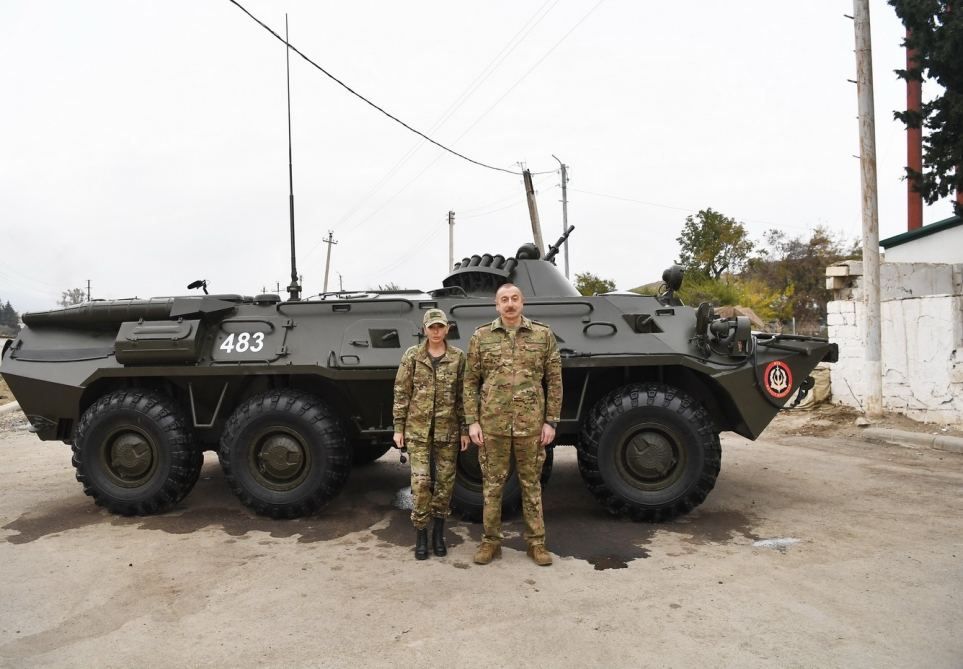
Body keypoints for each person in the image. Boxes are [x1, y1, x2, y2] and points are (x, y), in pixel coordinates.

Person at [463, 283, 562, 566]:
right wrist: (472, 422)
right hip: (492, 425)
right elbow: (470, 381)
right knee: (492, 486)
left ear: (523, 303)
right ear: (496, 305)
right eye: (504, 299)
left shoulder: (542, 335)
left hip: (531, 425)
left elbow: (554, 381)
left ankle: (536, 543)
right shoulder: (481, 336)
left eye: (514, 299)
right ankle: (490, 542)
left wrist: (550, 421)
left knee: (531, 485)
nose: (509, 304)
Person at [393, 308, 469, 560]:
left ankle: (439, 533)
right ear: (424, 329)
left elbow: (464, 396)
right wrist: (398, 427)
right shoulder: (413, 356)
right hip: (418, 432)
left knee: (445, 486)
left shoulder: (458, 357)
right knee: (421, 484)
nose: (436, 331)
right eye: (431, 327)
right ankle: (421, 534)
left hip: (448, 432)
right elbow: (402, 392)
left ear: (447, 329)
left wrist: (466, 429)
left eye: (440, 327)